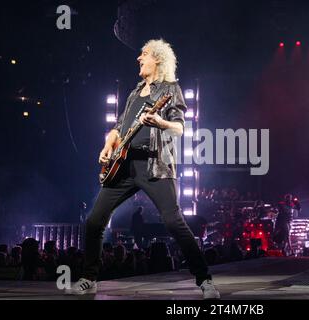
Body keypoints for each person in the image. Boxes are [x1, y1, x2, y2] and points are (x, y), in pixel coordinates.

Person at [66, 39, 219, 299]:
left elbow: (180, 128)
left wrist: (160, 122)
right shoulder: (135, 92)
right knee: (94, 221)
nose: (139, 58)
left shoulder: (171, 89)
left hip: (154, 166)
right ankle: (89, 278)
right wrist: (107, 145)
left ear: (158, 60)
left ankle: (205, 280)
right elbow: (118, 127)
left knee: (173, 221)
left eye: (144, 54)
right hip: (123, 166)